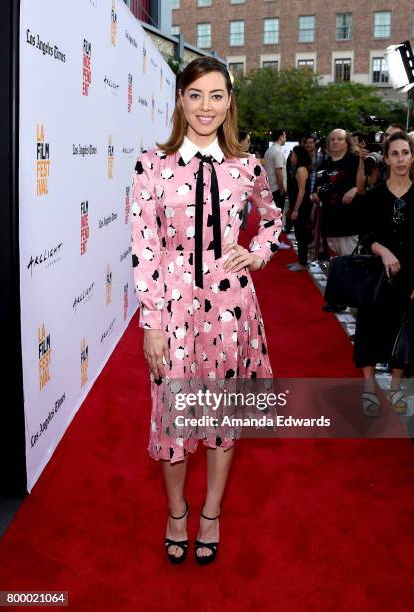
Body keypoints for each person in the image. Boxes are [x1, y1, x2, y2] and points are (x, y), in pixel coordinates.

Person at [131, 57, 282, 565]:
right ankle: (177, 511)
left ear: (229, 102)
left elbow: (272, 217)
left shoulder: (248, 165)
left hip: (230, 307)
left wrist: (258, 251)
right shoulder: (151, 165)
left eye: (217, 95)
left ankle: (211, 513)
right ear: (180, 99)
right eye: (195, 94)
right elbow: (145, 246)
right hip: (173, 308)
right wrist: (151, 324)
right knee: (174, 417)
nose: (206, 107)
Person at [354, 131, 414, 417]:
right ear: (387, 158)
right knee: (368, 330)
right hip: (375, 277)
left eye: (405, 152)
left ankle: (396, 387)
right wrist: (383, 250)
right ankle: (368, 387)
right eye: (395, 153)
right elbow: (365, 236)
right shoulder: (376, 196)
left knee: (401, 333)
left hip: (409, 278)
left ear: (412, 156)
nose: (401, 159)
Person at [317, 128, 359, 312]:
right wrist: (316, 193)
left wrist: (355, 189)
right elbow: (321, 187)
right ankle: (340, 299)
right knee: (337, 263)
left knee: (350, 262)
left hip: (349, 221)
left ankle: (350, 299)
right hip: (330, 220)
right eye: (332, 139)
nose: (335, 142)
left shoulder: (355, 161)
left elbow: (368, 182)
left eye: (340, 139)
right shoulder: (323, 165)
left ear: (347, 142)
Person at [287, 146, 313, 271]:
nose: (291, 157)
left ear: (298, 156)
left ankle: (303, 263)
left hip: (302, 207)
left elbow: (302, 191)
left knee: (301, 234)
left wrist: (296, 209)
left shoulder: (301, 169)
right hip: (298, 205)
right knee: (299, 234)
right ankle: (301, 261)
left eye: (292, 155)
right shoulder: (297, 169)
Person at [264, 129, 290, 242]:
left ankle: (272, 240)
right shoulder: (278, 151)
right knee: (277, 216)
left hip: (271, 186)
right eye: (284, 136)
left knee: (272, 216)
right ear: (280, 136)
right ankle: (276, 242)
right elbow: (278, 172)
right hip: (276, 188)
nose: (286, 138)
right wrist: (282, 189)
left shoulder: (270, 150)